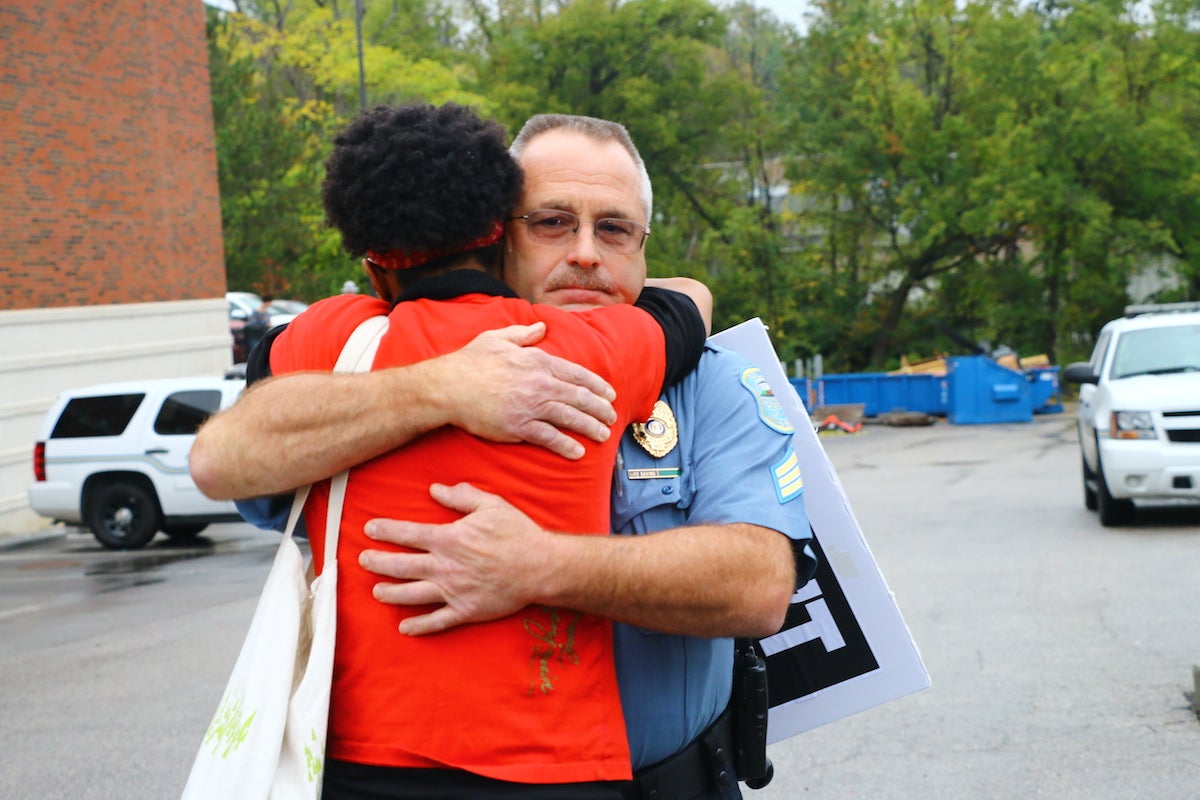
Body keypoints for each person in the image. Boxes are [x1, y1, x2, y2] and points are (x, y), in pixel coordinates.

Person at [191, 113, 813, 800]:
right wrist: (437, 388)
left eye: (614, 228)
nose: (584, 253)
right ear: (493, 234)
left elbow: (759, 588)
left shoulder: (714, 381)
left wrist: (538, 565)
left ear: (644, 244)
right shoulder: (355, 367)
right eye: (551, 223)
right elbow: (225, 458)